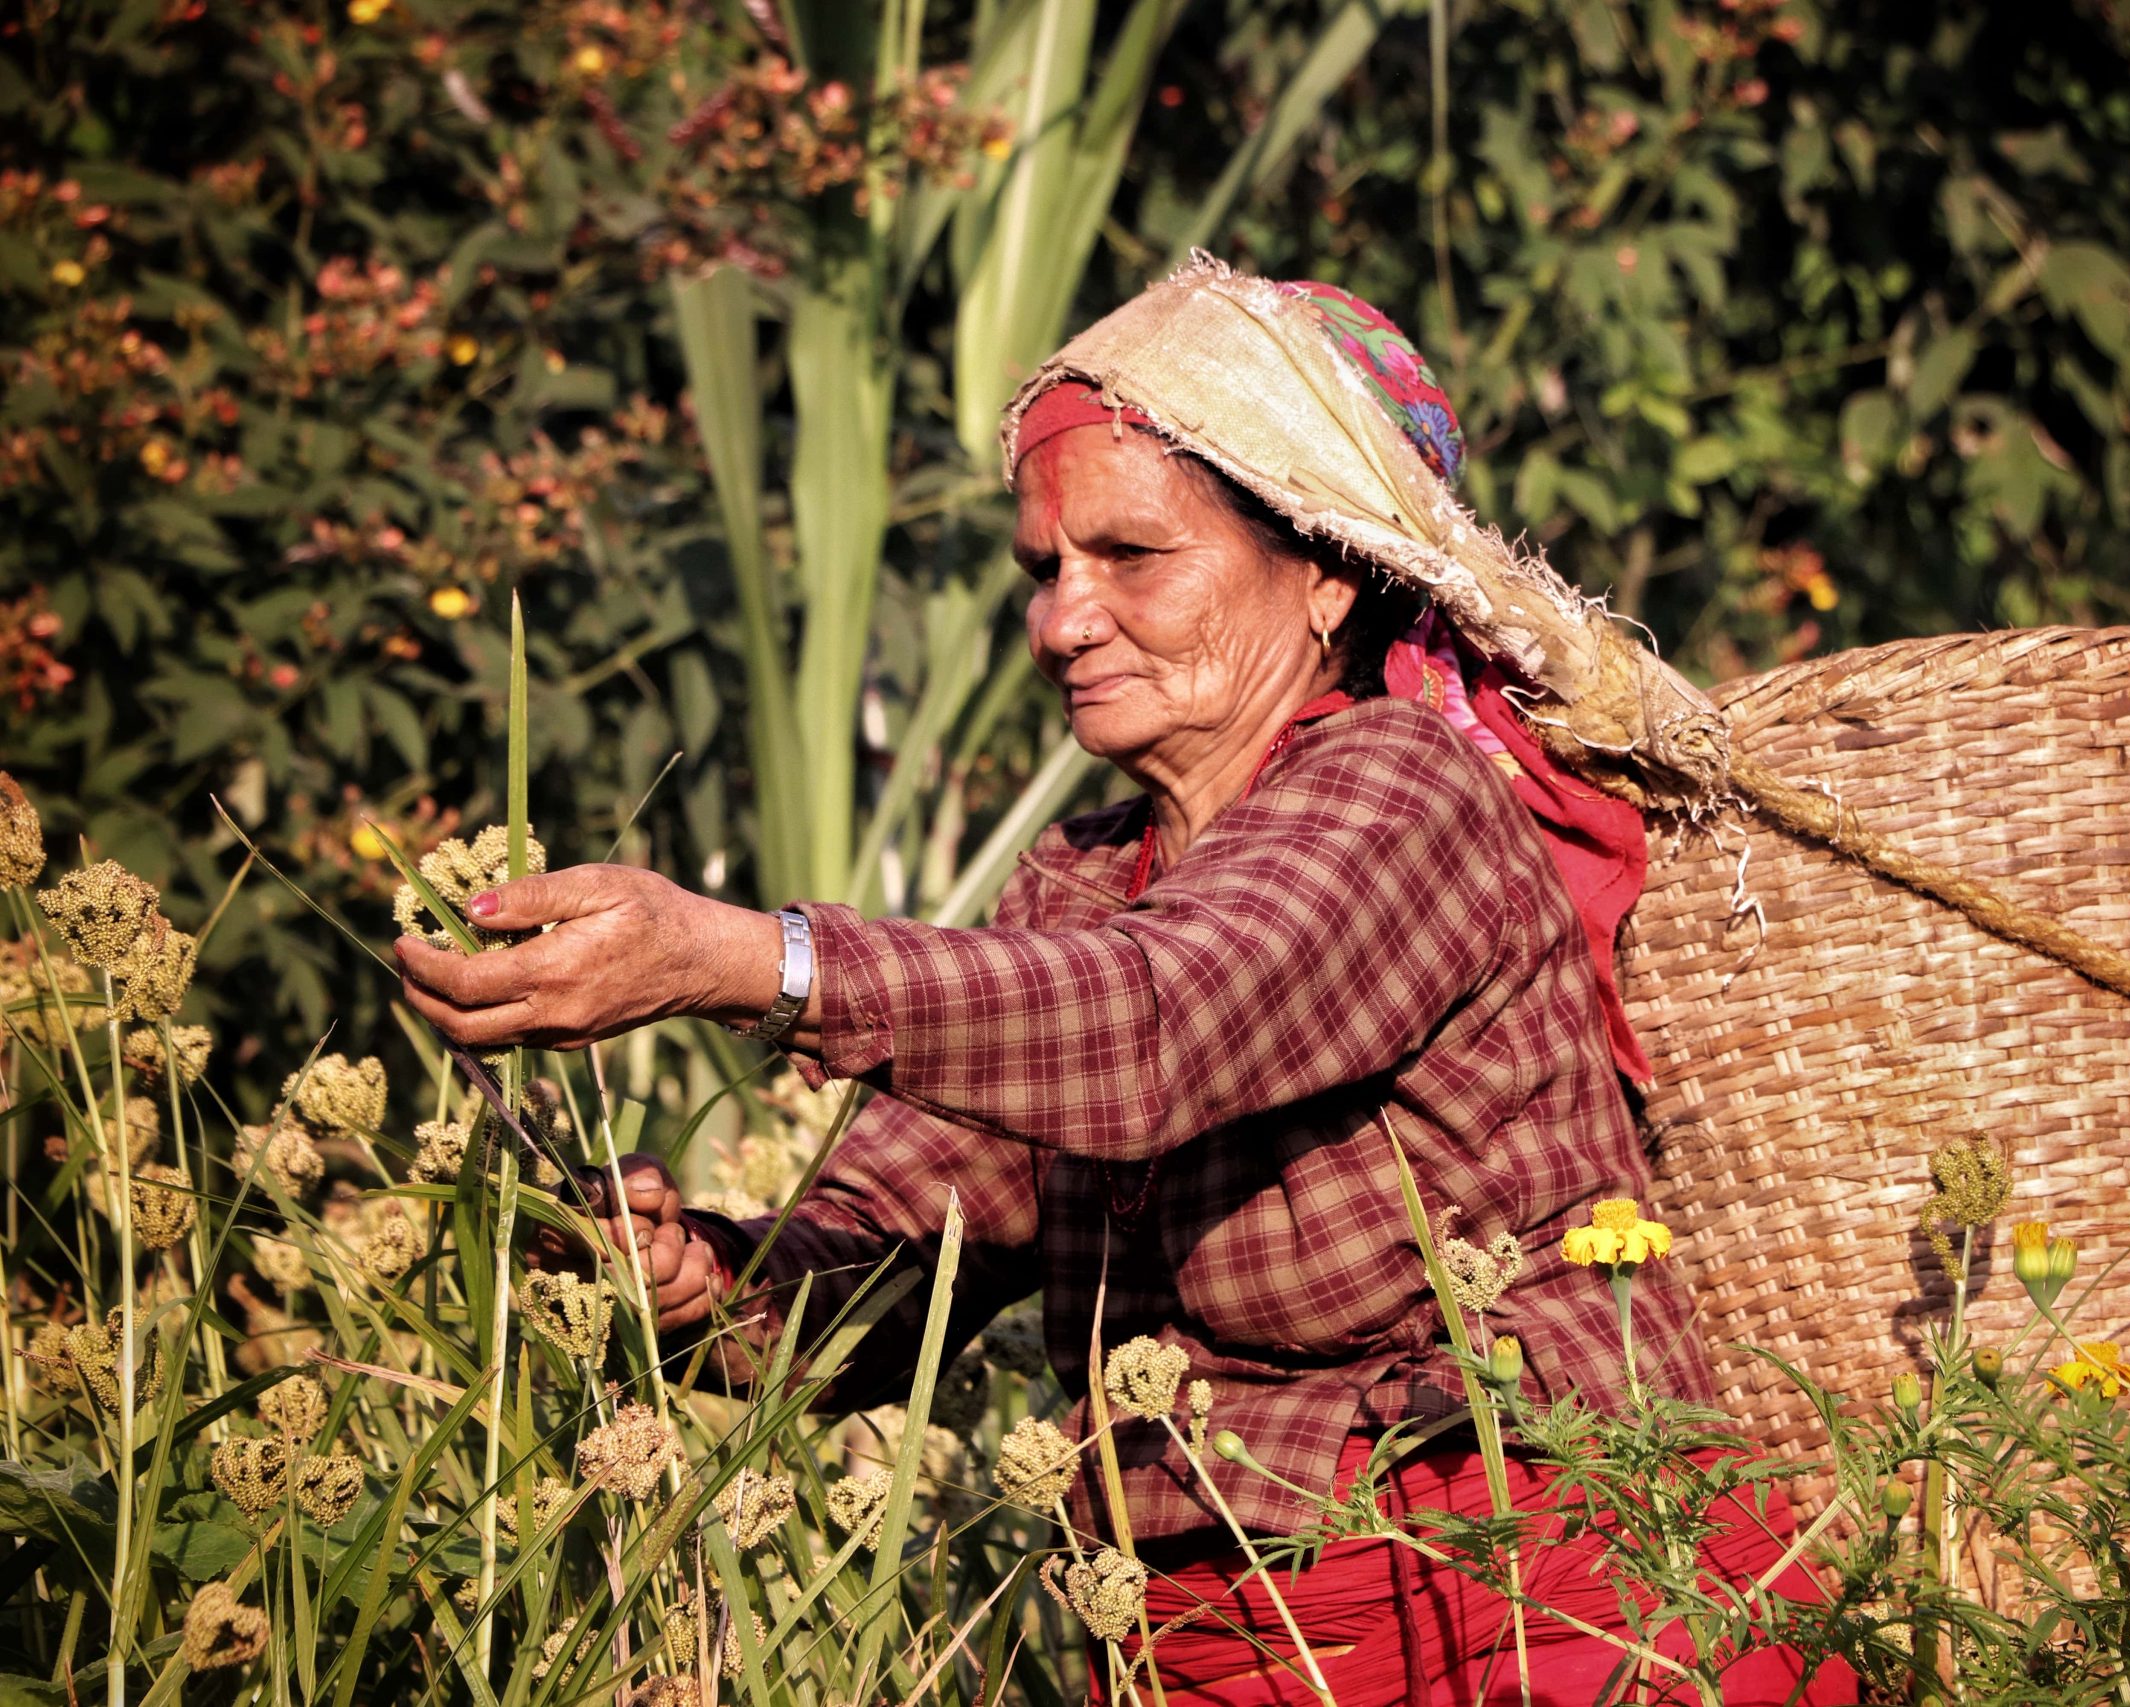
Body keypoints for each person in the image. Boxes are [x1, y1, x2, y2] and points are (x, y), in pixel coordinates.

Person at [394, 261, 1855, 1705]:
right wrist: (700, 1278)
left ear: (1329, 574)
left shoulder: (1404, 797)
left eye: (1130, 558)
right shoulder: (1086, 884)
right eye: (1043, 571)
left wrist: (730, 958)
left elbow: (1167, 1024)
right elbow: (900, 1259)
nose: (1061, 622)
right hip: (1200, 1646)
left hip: (1533, 1613)